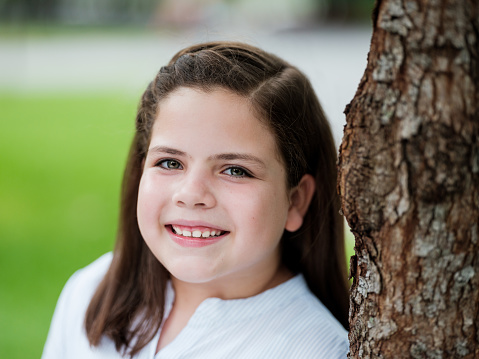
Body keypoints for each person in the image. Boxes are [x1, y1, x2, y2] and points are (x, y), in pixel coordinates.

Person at [42, 41, 349, 358]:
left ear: (295, 201)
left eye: (235, 170)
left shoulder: (318, 350)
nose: (191, 195)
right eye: (170, 163)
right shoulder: (91, 290)